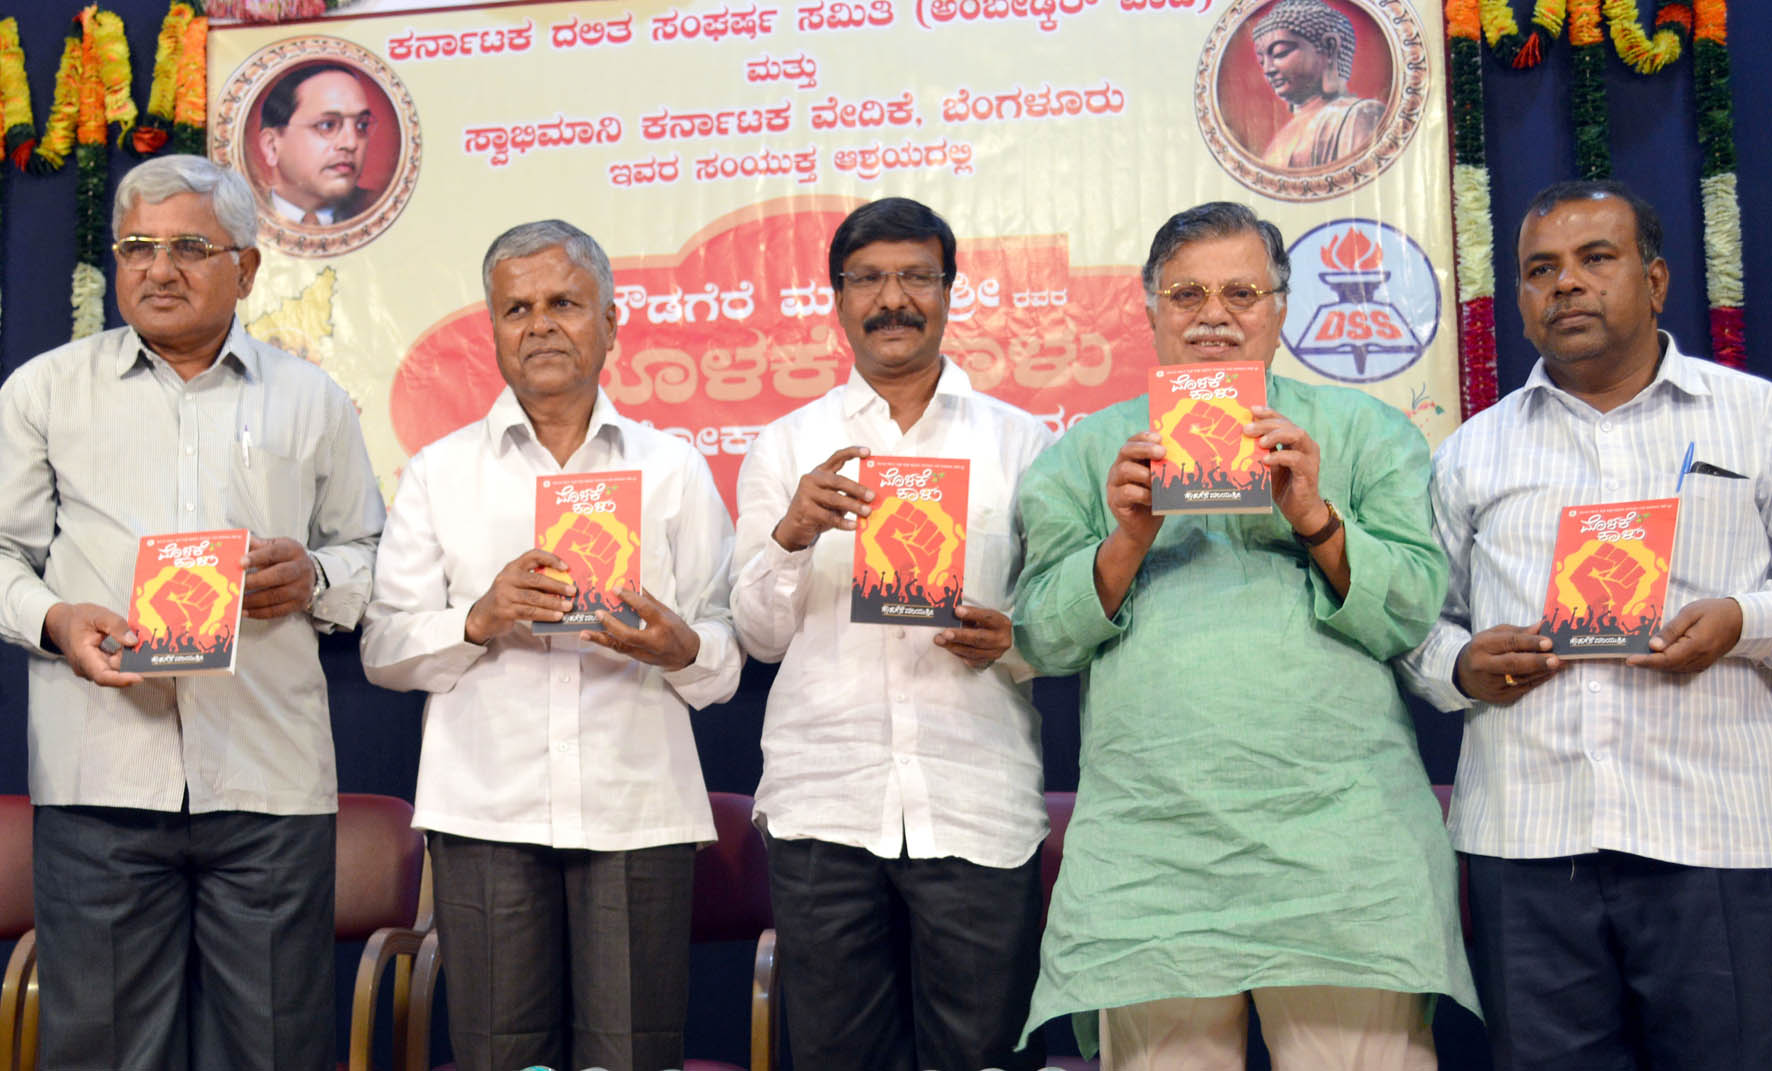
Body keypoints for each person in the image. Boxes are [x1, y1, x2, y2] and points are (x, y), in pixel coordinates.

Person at [1012, 201, 1479, 1069]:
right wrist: (1128, 540)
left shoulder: (1365, 432)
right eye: (1187, 294)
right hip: (1152, 851)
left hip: (1344, 849)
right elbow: (1040, 636)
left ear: (1282, 307)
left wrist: (1313, 517)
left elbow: (1415, 607)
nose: (1214, 316)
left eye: (1241, 293)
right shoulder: (1087, 453)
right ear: (1150, 310)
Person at [0, 155, 384, 1070]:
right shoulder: (44, 390)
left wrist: (313, 576)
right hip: (101, 780)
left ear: (246, 269)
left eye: (188, 248)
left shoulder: (313, 399)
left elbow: (370, 555)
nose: (158, 269)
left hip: (267, 779)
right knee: (102, 1052)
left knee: (274, 1049)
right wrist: (57, 620)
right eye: (137, 246)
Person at [1399, 179, 1772, 1070]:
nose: (1565, 283)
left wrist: (1743, 620)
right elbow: (1415, 622)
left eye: (1595, 258)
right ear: (1520, 299)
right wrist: (1462, 665)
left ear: (1656, 280)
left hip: (1715, 829)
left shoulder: (1757, 419)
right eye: (1541, 269)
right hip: (1527, 841)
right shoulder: (1471, 451)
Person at [359, 219, 741, 1071]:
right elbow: (383, 646)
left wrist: (679, 647)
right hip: (484, 810)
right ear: (493, 328)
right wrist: (479, 617)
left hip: (636, 806)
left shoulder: (673, 468)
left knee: (631, 1055)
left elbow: (723, 652)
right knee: (503, 1057)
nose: (539, 325)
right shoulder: (439, 471)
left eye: (564, 303)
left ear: (610, 323)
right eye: (517, 308)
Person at [730, 197, 1052, 1071]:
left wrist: (1014, 640)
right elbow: (757, 636)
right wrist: (792, 533)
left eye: (916, 276)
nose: (893, 299)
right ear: (837, 297)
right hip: (825, 800)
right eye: (868, 279)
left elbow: (1056, 622)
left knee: (984, 1055)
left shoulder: (1022, 443)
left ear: (950, 290)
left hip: (975, 797)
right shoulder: (786, 445)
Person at [1249, 0, 1385, 169]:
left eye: (1280, 53)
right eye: (1262, 61)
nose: (1268, 69)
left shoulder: (1359, 115)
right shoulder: (1281, 137)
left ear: (1329, 47)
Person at [257, 63, 379, 225]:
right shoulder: (237, 215)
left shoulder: (383, 211)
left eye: (361, 125)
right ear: (272, 146)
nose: (351, 143)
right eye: (327, 125)